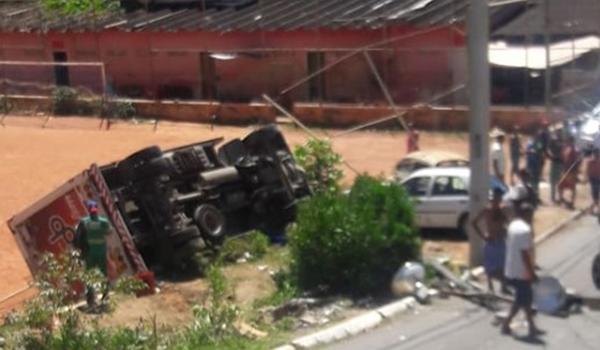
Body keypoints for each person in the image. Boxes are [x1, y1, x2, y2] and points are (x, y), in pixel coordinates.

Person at [501, 198, 541, 338]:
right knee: (522, 300)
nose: (532, 218)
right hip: (522, 272)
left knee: (524, 299)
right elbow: (524, 254)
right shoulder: (525, 230)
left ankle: (531, 326)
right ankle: (507, 324)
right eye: (531, 215)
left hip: (511, 269)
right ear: (527, 214)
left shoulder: (513, 225)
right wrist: (531, 273)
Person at [75, 200, 112, 309]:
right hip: (100, 251)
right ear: (97, 210)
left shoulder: (84, 222)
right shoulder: (103, 221)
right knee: (103, 273)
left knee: (89, 275)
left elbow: (78, 237)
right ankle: (105, 296)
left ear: (89, 210)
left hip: (89, 253)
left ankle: (90, 299)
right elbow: (109, 232)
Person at [472, 187, 509, 294]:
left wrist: (505, 230)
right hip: (490, 240)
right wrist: (483, 235)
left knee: (502, 264)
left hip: (500, 240)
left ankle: (504, 286)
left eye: (498, 198)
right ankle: (490, 286)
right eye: (495, 198)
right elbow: (474, 223)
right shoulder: (487, 210)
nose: (496, 200)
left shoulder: (503, 210)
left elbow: (508, 222)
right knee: (489, 265)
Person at [559, 135, 580, 209]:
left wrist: (575, 170)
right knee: (560, 185)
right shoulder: (566, 148)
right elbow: (563, 158)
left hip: (571, 171)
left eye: (568, 140)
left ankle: (572, 202)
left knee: (572, 187)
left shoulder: (575, 149)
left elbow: (577, 160)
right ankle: (561, 199)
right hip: (565, 170)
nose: (567, 142)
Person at [546, 129, 563, 203]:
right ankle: (553, 197)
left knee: (560, 181)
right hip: (555, 162)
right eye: (558, 131)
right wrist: (550, 157)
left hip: (560, 163)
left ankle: (559, 197)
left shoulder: (562, 141)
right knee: (553, 181)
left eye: (560, 132)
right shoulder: (553, 140)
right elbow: (547, 149)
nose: (559, 133)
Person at [587, 149, 600, 214]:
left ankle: (592, 209)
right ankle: (593, 209)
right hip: (593, 180)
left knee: (596, 196)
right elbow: (588, 171)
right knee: (595, 196)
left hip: (597, 179)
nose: (597, 155)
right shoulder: (590, 161)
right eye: (596, 153)